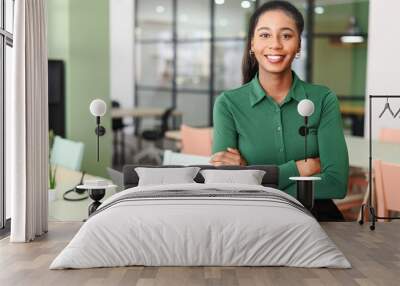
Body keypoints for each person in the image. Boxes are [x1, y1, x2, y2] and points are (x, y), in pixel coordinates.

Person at [210, 0, 349, 221]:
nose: (275, 44)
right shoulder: (228, 104)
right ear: (252, 44)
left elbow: (336, 184)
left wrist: (253, 177)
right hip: (251, 221)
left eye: (286, 35)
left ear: (299, 45)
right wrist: (298, 169)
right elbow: (224, 185)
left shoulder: (323, 99)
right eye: (265, 35)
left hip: (317, 220)